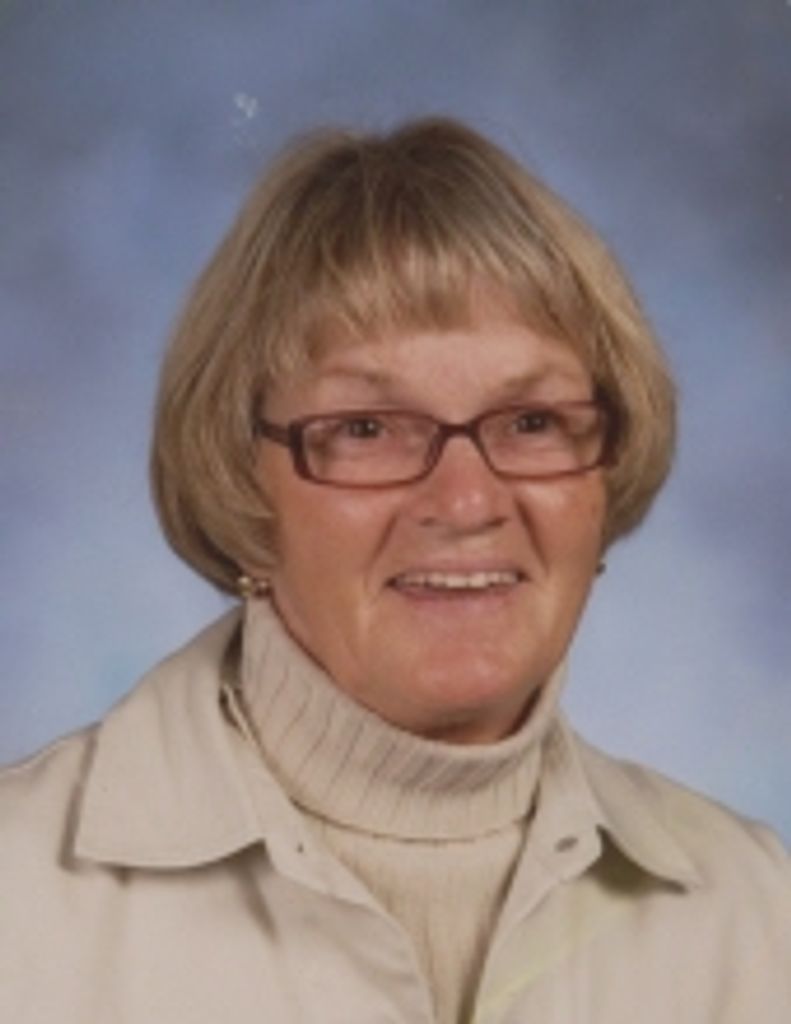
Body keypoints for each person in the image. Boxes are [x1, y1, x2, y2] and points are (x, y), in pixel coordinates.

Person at [1, 117, 788, 1024]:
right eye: (367, 429)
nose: (466, 501)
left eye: (530, 422)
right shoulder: (18, 898)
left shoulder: (752, 914)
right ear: (238, 475)